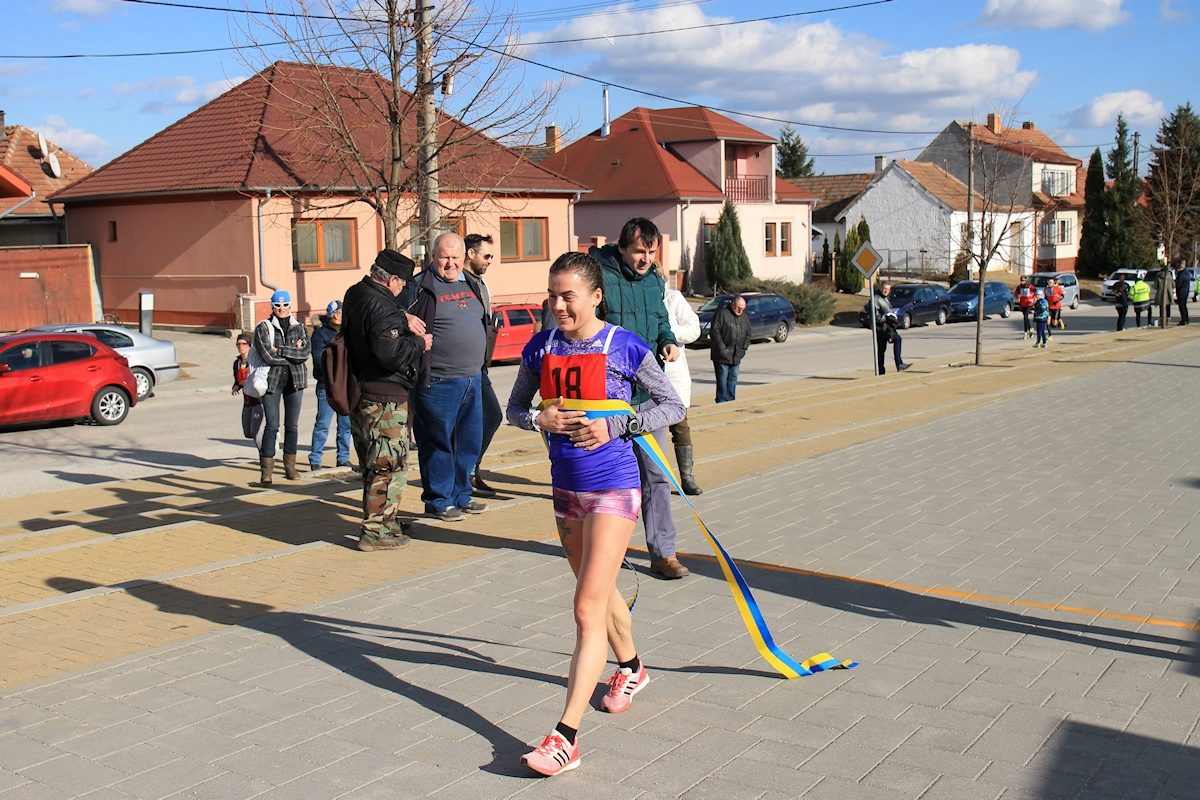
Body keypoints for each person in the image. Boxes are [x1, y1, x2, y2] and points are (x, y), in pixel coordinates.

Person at [506, 251, 685, 777]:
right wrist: (541, 418)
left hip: (614, 487)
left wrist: (618, 427)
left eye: (569, 296)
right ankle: (631, 668)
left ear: (595, 296)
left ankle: (565, 737)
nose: (558, 305)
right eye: (552, 294)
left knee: (586, 608)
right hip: (566, 490)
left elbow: (672, 405)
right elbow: (514, 410)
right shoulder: (541, 347)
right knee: (600, 592)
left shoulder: (624, 347)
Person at [589, 217, 687, 580]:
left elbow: (661, 319)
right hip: (608, 399)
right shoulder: (599, 276)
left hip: (648, 397)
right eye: (638, 252)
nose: (645, 258)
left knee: (657, 476)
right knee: (607, 481)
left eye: (651, 251)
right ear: (621, 248)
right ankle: (601, 551)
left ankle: (663, 553)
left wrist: (667, 340)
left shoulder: (654, 280)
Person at [342, 249, 431, 551]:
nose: (404, 287)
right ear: (392, 278)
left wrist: (401, 316)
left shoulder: (356, 293)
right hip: (385, 401)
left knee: (378, 464)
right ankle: (373, 532)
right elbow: (389, 353)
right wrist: (419, 343)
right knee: (387, 466)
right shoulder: (384, 308)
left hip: (363, 393)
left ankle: (387, 522)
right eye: (403, 282)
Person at [408, 232, 490, 521]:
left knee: (467, 442)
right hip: (438, 381)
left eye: (456, 257)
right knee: (437, 442)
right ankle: (439, 500)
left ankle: (461, 494)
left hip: (472, 377)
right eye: (444, 256)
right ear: (432, 257)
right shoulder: (419, 286)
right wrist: (404, 318)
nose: (451, 263)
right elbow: (389, 312)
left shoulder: (471, 282)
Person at [253, 290, 311, 485]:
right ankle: (266, 471)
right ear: (272, 306)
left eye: (285, 305)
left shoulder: (300, 327)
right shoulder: (264, 328)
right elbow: (267, 356)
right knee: (272, 425)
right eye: (278, 306)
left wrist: (281, 351)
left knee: (292, 426)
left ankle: (290, 467)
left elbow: (304, 354)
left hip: (296, 381)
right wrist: (291, 354)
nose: (282, 309)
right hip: (272, 382)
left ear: (290, 305)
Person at [464, 233, 501, 498]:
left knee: (492, 416)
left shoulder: (482, 284)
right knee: (474, 421)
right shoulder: (457, 283)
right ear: (470, 253)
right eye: (486, 255)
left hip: (481, 365)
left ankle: (471, 470)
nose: (490, 261)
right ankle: (464, 474)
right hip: (462, 366)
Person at [661, 271, 703, 495]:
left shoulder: (674, 298)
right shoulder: (636, 300)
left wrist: (668, 331)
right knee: (648, 430)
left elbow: (693, 329)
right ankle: (654, 480)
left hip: (674, 376)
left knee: (680, 427)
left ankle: (687, 477)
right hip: (646, 378)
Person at [308, 300, 352, 471]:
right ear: (333, 315)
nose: (340, 316)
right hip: (327, 385)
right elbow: (319, 360)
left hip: (345, 384)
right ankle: (315, 459)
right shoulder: (320, 334)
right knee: (323, 424)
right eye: (339, 313)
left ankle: (343, 458)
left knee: (346, 424)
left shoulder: (348, 332)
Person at [709, 295, 751, 402]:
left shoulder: (744, 317)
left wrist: (743, 349)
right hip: (721, 355)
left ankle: (731, 401)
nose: (740, 310)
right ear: (733, 305)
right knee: (722, 382)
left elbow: (748, 334)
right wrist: (722, 349)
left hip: (737, 355)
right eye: (738, 308)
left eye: (743, 309)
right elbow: (714, 332)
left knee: (733, 380)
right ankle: (721, 402)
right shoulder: (722, 314)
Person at [867, 282, 912, 374]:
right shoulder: (876, 299)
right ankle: (898, 364)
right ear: (880, 288)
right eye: (884, 288)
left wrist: (892, 317)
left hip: (887, 327)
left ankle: (881, 370)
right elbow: (873, 316)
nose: (886, 291)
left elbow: (888, 310)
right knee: (897, 339)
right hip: (882, 328)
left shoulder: (885, 299)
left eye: (888, 289)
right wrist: (885, 317)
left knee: (881, 349)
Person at [231, 333, 264, 450]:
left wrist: (249, 382)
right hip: (247, 402)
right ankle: (270, 438)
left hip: (258, 401)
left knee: (255, 432)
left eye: (243, 344)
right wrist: (236, 386)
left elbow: (262, 378)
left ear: (250, 345)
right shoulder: (237, 363)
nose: (240, 346)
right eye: (238, 344)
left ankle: (266, 455)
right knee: (248, 433)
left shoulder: (256, 361)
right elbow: (238, 380)